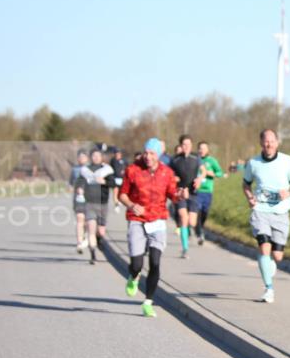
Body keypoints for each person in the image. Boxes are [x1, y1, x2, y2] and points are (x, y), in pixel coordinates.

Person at [118, 137, 179, 317]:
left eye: (152, 153)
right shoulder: (133, 170)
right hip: (137, 219)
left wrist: (181, 194)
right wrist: (131, 205)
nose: (148, 156)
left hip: (157, 220)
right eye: (146, 152)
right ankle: (134, 276)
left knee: (155, 261)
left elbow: (173, 195)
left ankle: (148, 302)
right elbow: (122, 194)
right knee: (137, 264)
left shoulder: (166, 173)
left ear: (158, 155)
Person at [242, 129, 290, 303]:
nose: (269, 144)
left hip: (281, 212)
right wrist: (250, 197)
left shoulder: (287, 160)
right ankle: (268, 288)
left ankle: (270, 264)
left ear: (277, 142)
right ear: (261, 143)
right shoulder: (253, 163)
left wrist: (289, 192)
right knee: (264, 247)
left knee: (277, 256)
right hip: (260, 210)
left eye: (272, 141)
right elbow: (246, 184)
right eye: (266, 141)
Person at [169, 135, 204, 259]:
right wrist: (174, 178)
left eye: (188, 144)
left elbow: (203, 171)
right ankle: (185, 249)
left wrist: (199, 179)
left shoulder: (196, 158)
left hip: (193, 193)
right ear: (180, 145)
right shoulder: (175, 160)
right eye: (184, 144)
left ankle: (188, 230)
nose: (186, 147)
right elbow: (169, 174)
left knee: (192, 222)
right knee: (183, 218)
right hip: (180, 192)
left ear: (191, 145)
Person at [83, 148, 115, 264]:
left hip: (102, 203)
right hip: (90, 203)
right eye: (94, 156)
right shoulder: (86, 170)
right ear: (91, 157)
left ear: (101, 157)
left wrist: (104, 182)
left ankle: (99, 238)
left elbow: (113, 183)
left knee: (101, 231)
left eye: (98, 156)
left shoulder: (106, 170)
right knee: (91, 229)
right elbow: (79, 183)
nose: (96, 158)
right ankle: (93, 255)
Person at [195, 140, 227, 245]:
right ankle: (199, 233)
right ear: (198, 150)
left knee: (205, 212)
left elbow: (220, 173)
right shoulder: (195, 160)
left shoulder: (212, 161)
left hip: (207, 191)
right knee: (198, 212)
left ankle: (201, 227)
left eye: (204, 148)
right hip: (197, 190)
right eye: (200, 148)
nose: (202, 150)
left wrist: (210, 173)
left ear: (208, 150)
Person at [69, 149, 89, 253]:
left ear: (87, 158)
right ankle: (79, 243)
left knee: (86, 221)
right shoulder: (74, 169)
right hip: (78, 198)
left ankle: (85, 235)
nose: (81, 159)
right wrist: (72, 188)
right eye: (80, 157)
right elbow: (71, 182)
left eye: (83, 157)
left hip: (89, 198)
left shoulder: (91, 169)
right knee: (79, 218)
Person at [110, 147, 128, 213]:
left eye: (118, 153)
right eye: (116, 153)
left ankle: (120, 201)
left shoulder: (124, 160)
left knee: (122, 192)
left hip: (122, 179)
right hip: (115, 178)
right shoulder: (113, 160)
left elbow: (128, 167)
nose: (117, 154)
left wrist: (125, 171)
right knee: (115, 191)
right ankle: (116, 205)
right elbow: (110, 169)